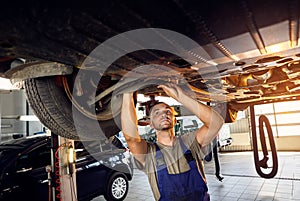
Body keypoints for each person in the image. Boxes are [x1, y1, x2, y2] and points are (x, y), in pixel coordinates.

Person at [121, 83, 224, 201]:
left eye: (168, 111)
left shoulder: (190, 142)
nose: (164, 114)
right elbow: (131, 139)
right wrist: (127, 92)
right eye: (157, 112)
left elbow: (216, 123)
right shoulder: (149, 153)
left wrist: (180, 96)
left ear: (175, 121)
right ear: (151, 124)